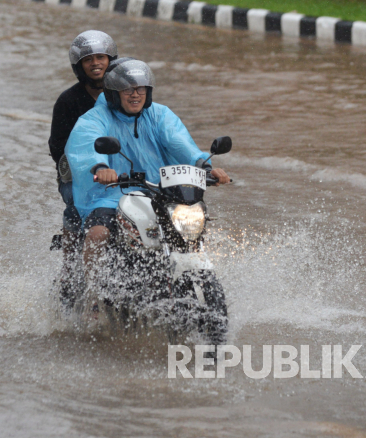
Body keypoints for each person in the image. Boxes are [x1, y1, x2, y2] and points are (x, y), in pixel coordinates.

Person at [65, 58, 230, 286]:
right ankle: (93, 296)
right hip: (110, 194)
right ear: (113, 93)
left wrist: (204, 165)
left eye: (140, 88)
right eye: (127, 89)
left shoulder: (160, 115)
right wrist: (101, 168)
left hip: (159, 192)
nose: (135, 94)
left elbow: (180, 143)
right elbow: (86, 145)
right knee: (98, 234)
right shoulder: (95, 119)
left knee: (190, 227)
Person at [49, 30, 117, 306]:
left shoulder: (124, 96)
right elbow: (59, 148)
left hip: (123, 172)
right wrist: (85, 171)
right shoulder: (68, 101)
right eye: (88, 59)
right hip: (78, 174)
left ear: (111, 60)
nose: (95, 63)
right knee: (76, 202)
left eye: (101, 57)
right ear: (79, 66)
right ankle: (70, 270)